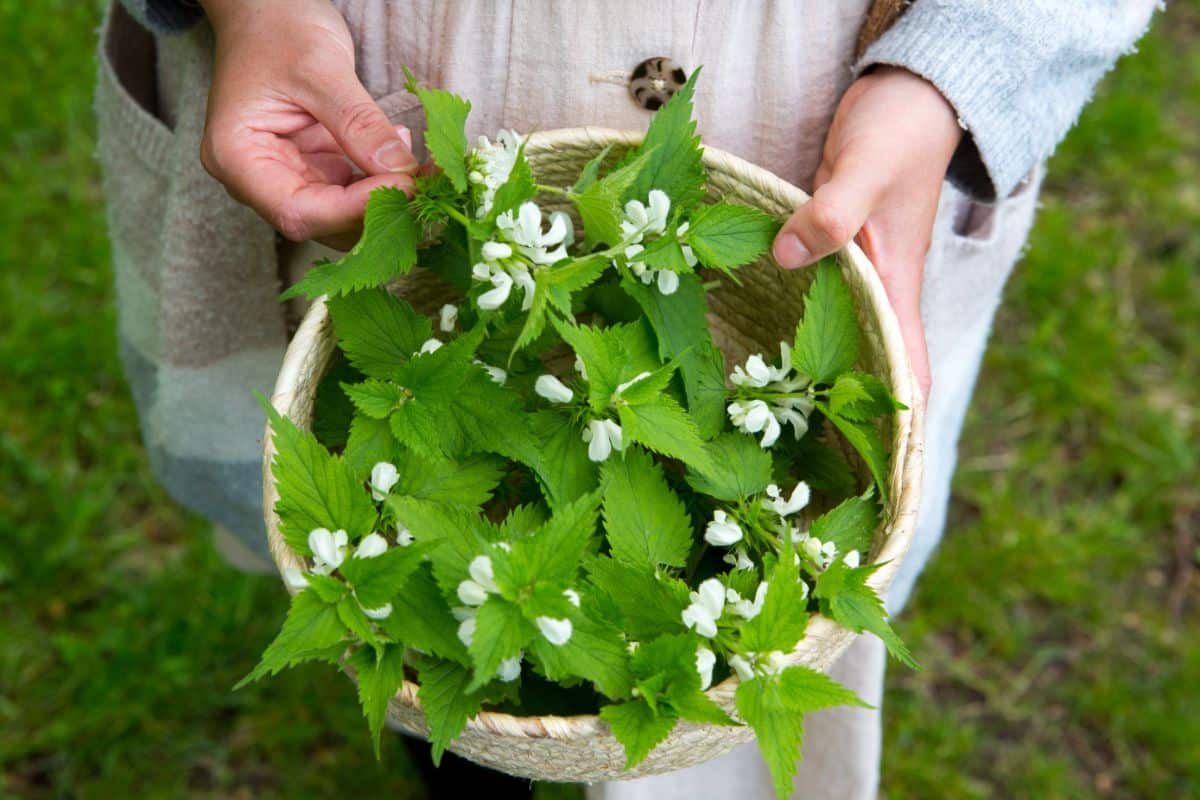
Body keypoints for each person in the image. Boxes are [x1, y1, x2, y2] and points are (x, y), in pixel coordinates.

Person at [95, 1, 1155, 797]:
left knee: (748, 646)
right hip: (352, 76)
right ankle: (468, 744)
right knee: (443, 673)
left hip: (831, 119)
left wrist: (948, 74)